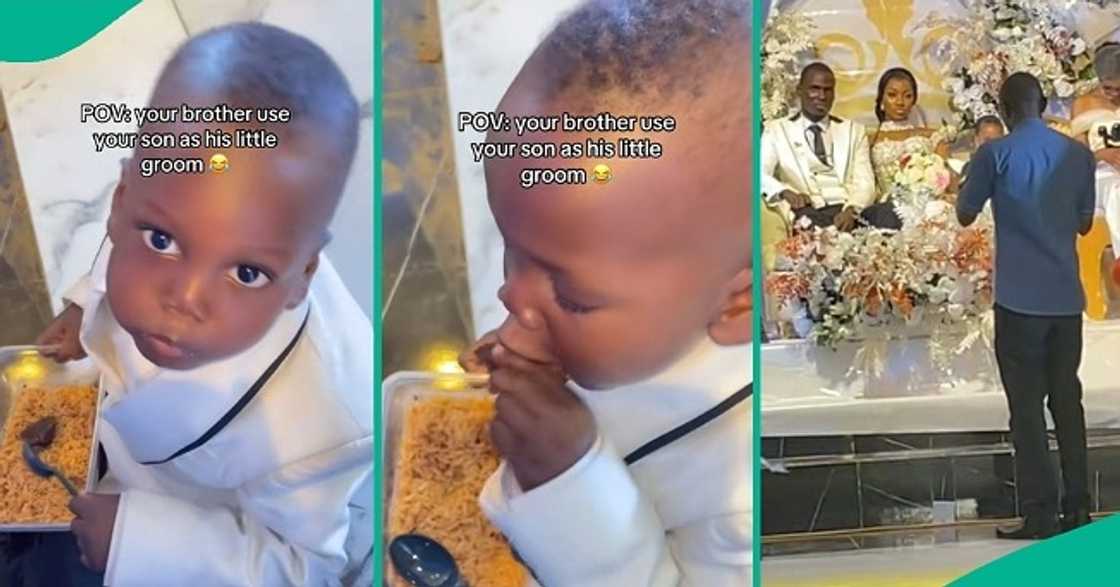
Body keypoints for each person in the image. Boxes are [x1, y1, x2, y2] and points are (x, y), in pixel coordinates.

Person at [28, 23, 372, 585]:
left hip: (195, 515)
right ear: (122, 201)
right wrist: (80, 310)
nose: (184, 300)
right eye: (163, 241)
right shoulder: (169, 206)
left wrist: (138, 543)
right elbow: (122, 241)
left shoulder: (319, 431)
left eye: (246, 273)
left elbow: (303, 566)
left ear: (302, 273)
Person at [458, 0, 752, 584]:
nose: (511, 301)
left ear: (736, 302)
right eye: (515, 252)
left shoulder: (741, 490)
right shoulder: (645, 293)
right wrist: (542, 348)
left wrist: (566, 478)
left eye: (571, 297)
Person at [958, 72, 1095, 540]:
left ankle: (1040, 515)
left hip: (1019, 301)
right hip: (1064, 299)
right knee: (1068, 401)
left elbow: (964, 212)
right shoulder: (1078, 155)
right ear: (1042, 104)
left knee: (1027, 410)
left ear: (1006, 109)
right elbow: (1082, 223)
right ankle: (1080, 510)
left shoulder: (994, 153)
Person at [761, 62, 899, 231]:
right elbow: (760, 173)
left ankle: (844, 238)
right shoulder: (776, 130)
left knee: (893, 212)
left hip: (848, 210)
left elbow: (865, 181)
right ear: (800, 90)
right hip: (810, 210)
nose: (821, 96)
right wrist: (786, 193)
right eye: (814, 88)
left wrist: (852, 210)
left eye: (828, 90)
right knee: (808, 222)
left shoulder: (854, 130)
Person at [1072, 42, 1120, 265]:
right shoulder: (1084, 104)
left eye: (1119, 89)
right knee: (1116, 189)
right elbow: (1076, 159)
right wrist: (1103, 155)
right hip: (1097, 176)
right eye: (1107, 88)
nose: (1112, 95)